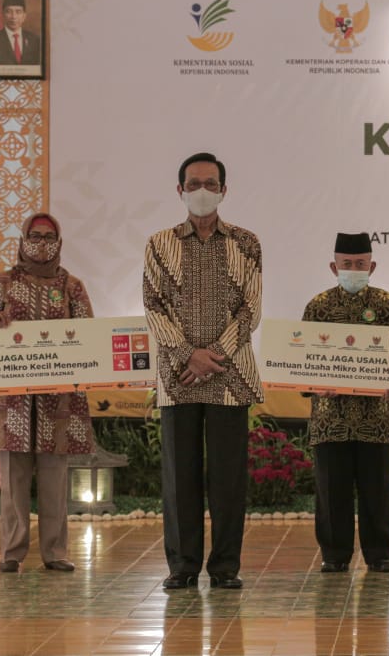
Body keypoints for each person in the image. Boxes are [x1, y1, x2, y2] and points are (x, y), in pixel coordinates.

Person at [144, 152, 264, 591]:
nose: (202, 192)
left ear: (224, 191)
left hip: (231, 378)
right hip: (179, 379)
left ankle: (226, 567)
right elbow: (153, 305)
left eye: (211, 184)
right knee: (180, 477)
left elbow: (250, 308)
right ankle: (183, 565)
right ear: (180, 191)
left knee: (229, 479)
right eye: (194, 184)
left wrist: (212, 355)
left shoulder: (247, 243)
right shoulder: (159, 243)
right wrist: (187, 355)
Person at [0, 213, 94, 573]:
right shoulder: (4, 282)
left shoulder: (72, 286)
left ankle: (55, 552)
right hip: (14, 401)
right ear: (23, 240)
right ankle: (12, 552)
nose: (41, 243)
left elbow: (89, 334)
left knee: (55, 478)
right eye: (35, 236)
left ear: (59, 242)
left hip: (59, 399)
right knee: (13, 478)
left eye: (49, 237)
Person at [302, 232, 389, 574]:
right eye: (347, 264)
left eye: (360, 264)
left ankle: (380, 553)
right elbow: (302, 360)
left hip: (377, 418)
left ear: (372, 266)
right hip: (331, 419)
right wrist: (315, 385)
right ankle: (334, 553)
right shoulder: (318, 306)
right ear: (334, 267)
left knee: (377, 490)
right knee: (332, 491)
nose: (354, 270)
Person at [0, 0, 42, 65]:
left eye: (18, 12)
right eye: (9, 12)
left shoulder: (35, 40)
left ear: (24, 16)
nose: (13, 17)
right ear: (2, 15)